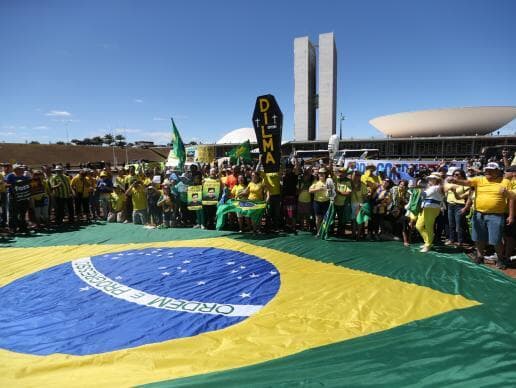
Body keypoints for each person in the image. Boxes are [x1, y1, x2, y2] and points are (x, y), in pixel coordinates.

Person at [449, 162, 512, 269]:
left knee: (496, 240)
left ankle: (501, 259)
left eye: (491, 170)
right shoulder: (479, 179)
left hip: (496, 215)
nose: (488, 172)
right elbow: (467, 182)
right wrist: (455, 181)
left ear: (498, 171)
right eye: (487, 170)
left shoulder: (505, 181)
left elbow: (511, 199)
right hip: (478, 214)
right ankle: (479, 256)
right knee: (479, 238)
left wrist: (511, 215)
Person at [416, 173, 444, 252]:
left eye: (432, 178)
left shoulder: (435, 188)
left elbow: (424, 195)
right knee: (419, 226)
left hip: (432, 209)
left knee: (429, 227)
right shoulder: (433, 187)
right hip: (427, 208)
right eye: (430, 178)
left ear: (437, 180)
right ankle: (428, 242)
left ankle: (428, 244)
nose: (430, 180)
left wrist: (419, 186)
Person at [444, 168, 470, 246]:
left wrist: (466, 207)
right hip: (450, 205)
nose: (455, 176)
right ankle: (452, 240)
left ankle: (460, 241)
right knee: (451, 224)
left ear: (462, 175)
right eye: (454, 174)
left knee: (459, 225)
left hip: (459, 205)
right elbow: (445, 193)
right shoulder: (450, 184)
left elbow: (467, 196)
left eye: (457, 174)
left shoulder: (464, 184)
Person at [4, 164, 32, 234]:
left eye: (22, 169)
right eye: (20, 169)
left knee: (23, 213)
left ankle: (23, 227)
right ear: (16, 170)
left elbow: (29, 185)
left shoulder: (25, 177)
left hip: (24, 198)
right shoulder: (10, 176)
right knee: (13, 213)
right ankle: (13, 228)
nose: (22, 170)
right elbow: (5, 185)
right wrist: (14, 184)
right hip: (13, 197)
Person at [309, 167, 331, 237]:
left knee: (326, 219)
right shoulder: (315, 182)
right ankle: (318, 232)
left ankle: (325, 232)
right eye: (320, 173)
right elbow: (310, 190)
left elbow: (332, 192)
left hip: (326, 202)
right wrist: (319, 189)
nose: (321, 175)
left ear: (325, 174)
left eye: (323, 173)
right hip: (317, 202)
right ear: (318, 174)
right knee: (318, 219)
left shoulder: (328, 181)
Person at [333, 167, 352, 237]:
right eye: (340, 172)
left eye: (343, 172)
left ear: (346, 173)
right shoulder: (335, 179)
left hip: (343, 204)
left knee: (342, 221)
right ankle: (331, 233)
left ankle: (341, 234)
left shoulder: (348, 181)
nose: (341, 173)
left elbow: (348, 193)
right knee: (332, 219)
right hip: (333, 203)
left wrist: (338, 192)